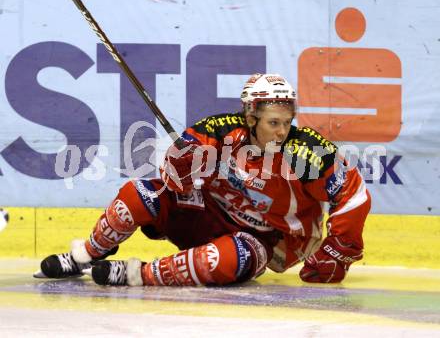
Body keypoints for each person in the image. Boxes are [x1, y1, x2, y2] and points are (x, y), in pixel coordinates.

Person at [37, 73, 371, 286]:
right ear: (251, 116)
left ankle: (138, 274)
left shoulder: (306, 151)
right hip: (205, 216)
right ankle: (87, 255)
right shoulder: (220, 129)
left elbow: (354, 196)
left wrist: (340, 248)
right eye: (273, 123)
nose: (282, 131)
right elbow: (175, 175)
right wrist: (179, 166)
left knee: (230, 258)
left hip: (260, 241)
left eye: (287, 121)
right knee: (138, 193)